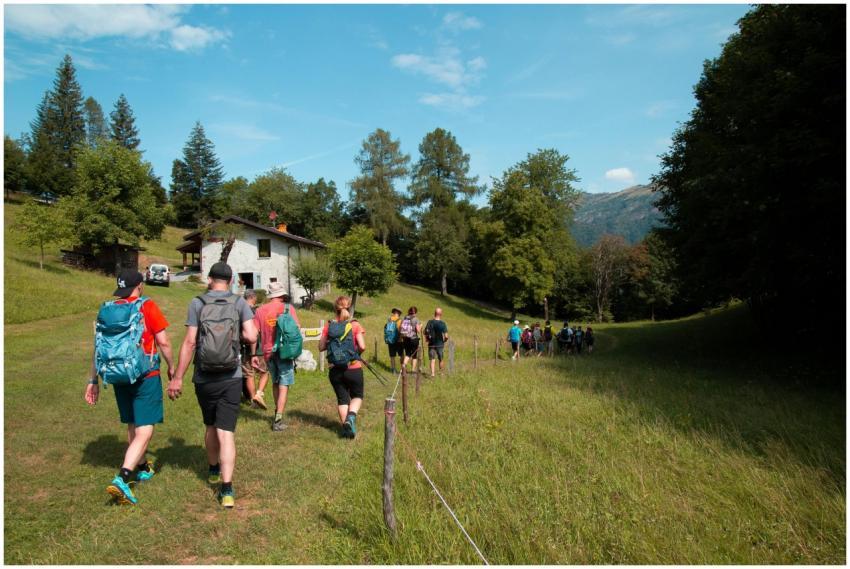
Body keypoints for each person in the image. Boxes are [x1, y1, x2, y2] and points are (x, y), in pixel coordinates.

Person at [170, 262, 258, 509]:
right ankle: (227, 490)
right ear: (230, 281)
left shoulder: (197, 303)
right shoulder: (239, 303)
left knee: (210, 425)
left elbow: (189, 343)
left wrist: (177, 377)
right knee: (226, 432)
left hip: (204, 376)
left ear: (210, 279)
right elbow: (251, 336)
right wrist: (238, 336)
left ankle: (212, 469)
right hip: (231, 375)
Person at [85, 269, 174, 506]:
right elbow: (163, 341)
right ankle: (123, 477)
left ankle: (143, 467)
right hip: (145, 374)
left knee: (133, 422)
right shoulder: (146, 306)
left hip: (118, 375)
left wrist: (93, 380)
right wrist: (172, 367)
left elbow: (98, 347)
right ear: (140, 285)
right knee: (145, 430)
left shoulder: (108, 309)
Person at [252, 282, 301, 431]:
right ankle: (278, 418)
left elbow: (254, 334)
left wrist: (254, 354)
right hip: (285, 351)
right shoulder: (288, 308)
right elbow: (297, 328)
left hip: (268, 352)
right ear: (281, 294)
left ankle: (276, 413)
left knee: (275, 382)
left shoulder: (260, 310)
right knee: (284, 384)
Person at [318, 296, 366, 439]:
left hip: (335, 369)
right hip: (353, 368)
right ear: (349, 307)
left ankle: (346, 430)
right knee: (357, 396)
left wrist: (333, 343)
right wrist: (355, 354)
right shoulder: (355, 324)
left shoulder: (329, 326)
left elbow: (321, 347)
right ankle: (350, 418)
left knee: (342, 399)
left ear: (335, 309)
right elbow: (362, 346)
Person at [240, 289, 268, 410]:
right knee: (264, 372)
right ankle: (258, 394)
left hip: (244, 348)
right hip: (258, 348)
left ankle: (252, 400)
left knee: (249, 374)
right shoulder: (256, 312)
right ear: (252, 297)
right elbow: (258, 332)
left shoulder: (239, 311)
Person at [424, 308, 449, 378]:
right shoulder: (442, 324)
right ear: (441, 314)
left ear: (434, 313)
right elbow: (446, 336)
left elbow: (425, 332)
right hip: (440, 344)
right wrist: (444, 340)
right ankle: (441, 374)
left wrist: (427, 339)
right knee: (441, 359)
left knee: (432, 359)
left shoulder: (430, 322)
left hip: (431, 344)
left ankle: (432, 374)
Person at [399, 306, 422, 373]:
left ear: (409, 311)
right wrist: (421, 326)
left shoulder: (404, 318)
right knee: (414, 355)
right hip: (414, 338)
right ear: (415, 312)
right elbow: (418, 330)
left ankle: (403, 366)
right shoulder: (416, 319)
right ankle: (413, 370)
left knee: (408, 354)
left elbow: (400, 328)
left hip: (405, 338)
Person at [384, 308, 403, 374]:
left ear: (394, 312)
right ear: (399, 313)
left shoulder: (389, 319)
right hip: (398, 340)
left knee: (392, 355)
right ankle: (402, 369)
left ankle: (393, 370)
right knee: (401, 355)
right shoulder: (400, 320)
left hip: (390, 340)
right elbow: (401, 330)